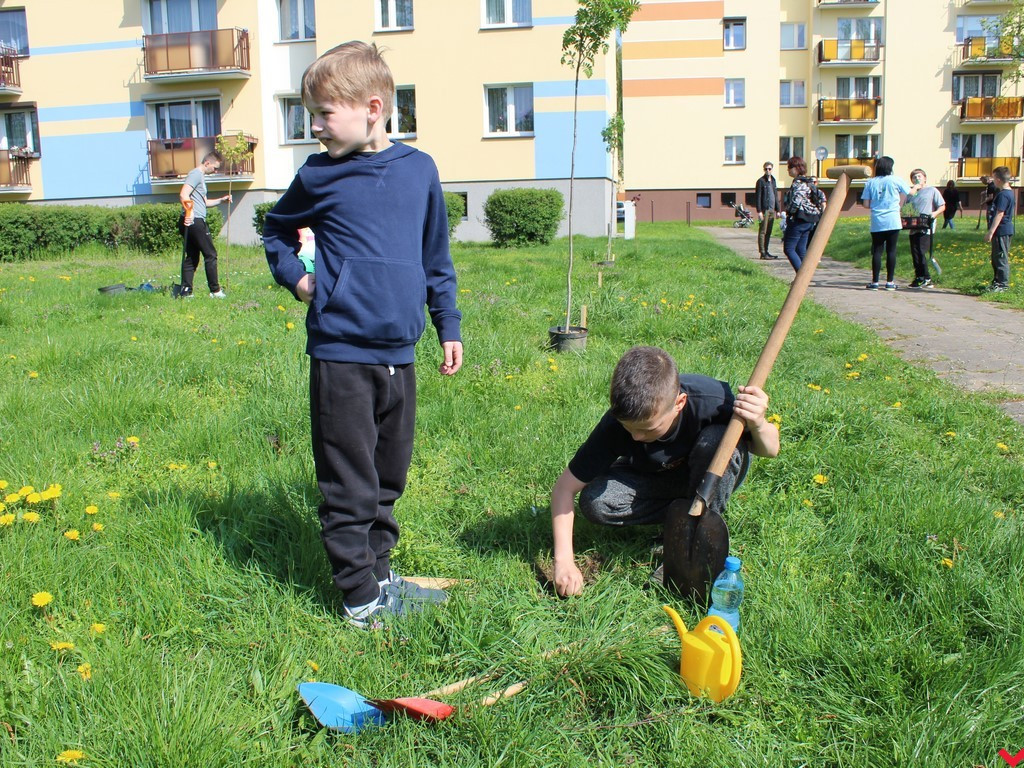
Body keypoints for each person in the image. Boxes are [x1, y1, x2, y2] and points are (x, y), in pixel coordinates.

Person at [263, 41, 464, 627]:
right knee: (350, 479)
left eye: (325, 113)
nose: (316, 126)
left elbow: (436, 255)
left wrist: (446, 323)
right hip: (342, 352)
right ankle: (358, 599)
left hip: (400, 354)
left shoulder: (418, 170)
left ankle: (380, 574)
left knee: (388, 476)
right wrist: (301, 282)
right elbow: (275, 231)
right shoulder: (319, 175)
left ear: (372, 108)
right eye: (313, 115)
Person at [549, 346, 780, 598]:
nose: (637, 437)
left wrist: (758, 422)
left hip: (710, 474)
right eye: (630, 429)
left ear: (679, 403)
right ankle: (677, 518)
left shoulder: (713, 402)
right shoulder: (619, 422)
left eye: (648, 429)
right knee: (596, 501)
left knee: (718, 439)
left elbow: (770, 449)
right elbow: (564, 488)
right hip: (657, 478)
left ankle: (697, 534)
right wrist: (564, 561)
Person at [179, 150, 232, 298]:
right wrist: (190, 214)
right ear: (207, 163)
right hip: (195, 220)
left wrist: (222, 200)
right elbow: (184, 194)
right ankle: (215, 291)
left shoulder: (200, 177)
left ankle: (186, 292)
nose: (215, 171)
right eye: (214, 168)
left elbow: (204, 203)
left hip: (194, 219)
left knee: (192, 257)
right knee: (211, 254)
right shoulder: (196, 174)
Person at [860, 155, 910, 291]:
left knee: (877, 250)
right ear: (890, 167)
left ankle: (875, 282)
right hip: (893, 219)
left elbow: (865, 204)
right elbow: (909, 192)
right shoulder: (896, 180)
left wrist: (877, 205)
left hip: (877, 220)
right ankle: (890, 282)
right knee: (891, 250)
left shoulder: (870, 182)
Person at [781, 156, 826, 272]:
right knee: (801, 249)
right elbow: (821, 196)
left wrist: (788, 213)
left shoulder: (798, 183)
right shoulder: (810, 182)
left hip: (799, 219)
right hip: (810, 220)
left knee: (789, 249)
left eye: (790, 167)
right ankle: (805, 277)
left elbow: (796, 201)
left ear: (796, 168)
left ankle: (801, 277)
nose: (788, 170)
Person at [906, 169, 945, 288]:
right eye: (914, 177)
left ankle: (926, 278)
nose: (917, 178)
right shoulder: (912, 193)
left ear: (925, 178)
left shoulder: (931, 190)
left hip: (926, 227)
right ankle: (919, 277)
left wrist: (934, 214)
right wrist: (912, 192)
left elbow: (942, 206)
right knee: (915, 253)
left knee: (921, 251)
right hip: (913, 226)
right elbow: (906, 209)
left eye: (919, 176)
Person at [983, 165, 1014, 292]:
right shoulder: (1007, 193)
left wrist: (991, 231)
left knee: (1001, 258)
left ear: (999, 180)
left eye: (994, 178)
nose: (993, 180)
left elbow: (1000, 214)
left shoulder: (1004, 195)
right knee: (995, 258)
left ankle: (1003, 285)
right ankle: (996, 282)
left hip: (1002, 230)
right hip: (1001, 231)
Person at [755, 161, 780, 259]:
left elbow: (775, 195)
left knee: (769, 232)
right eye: (766, 169)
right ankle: (762, 252)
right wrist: (759, 211)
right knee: (763, 231)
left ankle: (766, 250)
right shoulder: (761, 181)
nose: (768, 171)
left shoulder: (773, 180)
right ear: (764, 169)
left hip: (771, 210)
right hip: (764, 210)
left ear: (772, 169)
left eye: (769, 169)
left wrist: (778, 210)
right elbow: (758, 197)